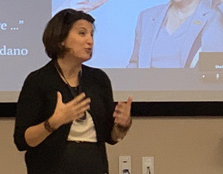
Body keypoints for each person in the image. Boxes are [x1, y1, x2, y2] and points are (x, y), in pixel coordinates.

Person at [14, 8, 132, 174]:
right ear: (61, 39)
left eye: (92, 34)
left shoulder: (98, 80)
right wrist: (54, 122)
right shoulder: (38, 81)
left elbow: (109, 137)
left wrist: (122, 125)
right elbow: (22, 141)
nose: (90, 41)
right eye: (82, 33)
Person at [127, 0, 223, 68]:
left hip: (193, 94)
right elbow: (134, 65)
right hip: (146, 94)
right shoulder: (146, 17)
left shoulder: (216, 17)